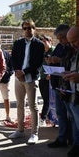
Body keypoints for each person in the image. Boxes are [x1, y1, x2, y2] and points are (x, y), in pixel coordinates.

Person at [8, 19, 44, 144]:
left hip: (30, 79)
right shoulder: (18, 43)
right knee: (19, 104)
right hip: (18, 79)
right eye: (25, 28)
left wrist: (24, 72)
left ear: (34, 29)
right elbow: (13, 59)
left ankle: (34, 134)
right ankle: (20, 130)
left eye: (30, 28)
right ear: (22, 30)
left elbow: (37, 63)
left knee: (33, 107)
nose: (27, 30)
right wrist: (18, 72)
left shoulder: (39, 44)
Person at [47, 24, 73, 148]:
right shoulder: (59, 46)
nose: (61, 40)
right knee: (61, 114)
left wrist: (59, 60)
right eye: (59, 38)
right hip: (57, 85)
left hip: (68, 86)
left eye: (62, 37)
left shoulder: (73, 47)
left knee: (72, 116)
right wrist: (51, 60)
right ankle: (62, 138)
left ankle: (74, 141)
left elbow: (70, 64)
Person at [58, 26, 79, 157]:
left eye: (75, 41)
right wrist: (71, 73)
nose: (72, 45)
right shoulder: (76, 51)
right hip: (74, 93)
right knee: (75, 123)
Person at [0, 38, 14, 122]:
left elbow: (11, 66)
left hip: (4, 81)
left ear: (0, 44)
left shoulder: (6, 54)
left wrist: (8, 74)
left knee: (6, 98)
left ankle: (8, 116)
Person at [38, 35, 54, 126]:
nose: (43, 43)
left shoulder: (55, 51)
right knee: (45, 99)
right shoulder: (42, 52)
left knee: (47, 100)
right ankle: (49, 117)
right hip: (42, 78)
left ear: (50, 41)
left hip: (51, 79)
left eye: (44, 41)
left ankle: (43, 118)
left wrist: (51, 74)